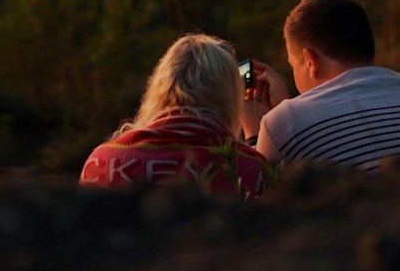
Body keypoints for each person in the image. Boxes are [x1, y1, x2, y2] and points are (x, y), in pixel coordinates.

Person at [239, 0, 400, 171]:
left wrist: (255, 132)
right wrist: (285, 108)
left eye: (294, 66)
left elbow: (256, 199)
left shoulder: (283, 123)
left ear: (310, 61)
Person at [79, 33, 268, 197]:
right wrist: (256, 135)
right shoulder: (250, 168)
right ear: (228, 99)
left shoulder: (102, 161)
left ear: (159, 89)